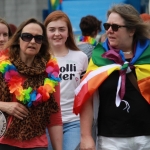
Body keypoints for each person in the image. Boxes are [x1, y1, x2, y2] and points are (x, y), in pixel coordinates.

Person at [73, 4, 150, 150]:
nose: (109, 30)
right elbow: (86, 97)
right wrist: (86, 136)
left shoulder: (148, 55)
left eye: (115, 27)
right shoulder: (98, 57)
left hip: (146, 138)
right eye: (107, 25)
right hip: (111, 140)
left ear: (131, 30)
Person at [0, 18, 63, 150]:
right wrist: (5, 105)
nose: (33, 41)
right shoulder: (3, 65)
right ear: (18, 39)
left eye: (38, 38)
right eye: (27, 36)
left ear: (42, 43)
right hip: (4, 142)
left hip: (37, 144)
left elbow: (54, 116)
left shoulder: (50, 73)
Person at [44, 11, 88, 150]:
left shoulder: (81, 57)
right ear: (45, 33)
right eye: (52, 29)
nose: (57, 33)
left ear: (68, 32)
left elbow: (85, 93)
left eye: (62, 29)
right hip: (46, 122)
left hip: (74, 122)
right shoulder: (39, 59)